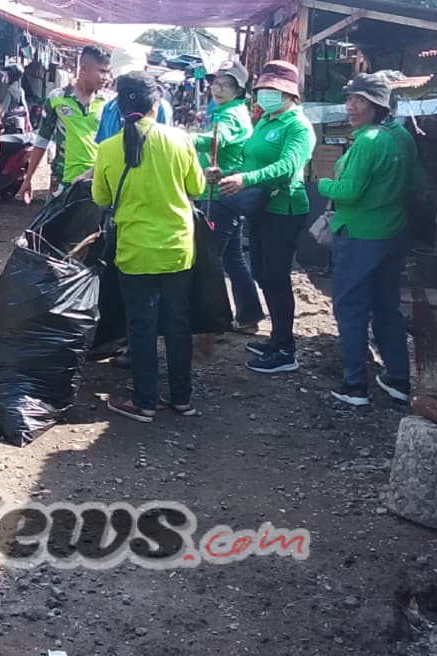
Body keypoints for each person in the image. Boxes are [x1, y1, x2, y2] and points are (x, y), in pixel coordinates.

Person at [93, 73, 206, 422]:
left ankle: (144, 402)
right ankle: (183, 398)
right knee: (177, 322)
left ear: (120, 106)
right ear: (156, 105)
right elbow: (197, 187)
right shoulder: (180, 139)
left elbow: (101, 197)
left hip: (134, 251)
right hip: (177, 249)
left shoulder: (109, 148)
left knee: (141, 326)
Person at [319, 72, 424, 407]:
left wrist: (323, 185)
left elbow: (348, 192)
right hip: (392, 232)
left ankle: (355, 386)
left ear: (378, 105)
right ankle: (398, 379)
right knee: (386, 307)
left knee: (350, 308)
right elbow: (416, 182)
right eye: (350, 98)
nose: (351, 106)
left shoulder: (368, 141)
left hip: (361, 235)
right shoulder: (401, 136)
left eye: (360, 100)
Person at [211, 59, 314, 376]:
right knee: (262, 274)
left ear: (289, 93)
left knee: (277, 278)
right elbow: (249, 160)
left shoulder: (298, 126)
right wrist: (227, 175)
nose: (265, 93)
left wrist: (246, 180)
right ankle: (275, 338)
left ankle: (285, 349)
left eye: (273, 89)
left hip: (285, 210)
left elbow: (286, 167)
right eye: (263, 88)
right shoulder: (267, 120)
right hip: (260, 207)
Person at [193, 58, 265, 334]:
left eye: (226, 85)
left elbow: (215, 140)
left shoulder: (230, 115)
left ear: (239, 91)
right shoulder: (227, 110)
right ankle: (249, 315)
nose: (218, 89)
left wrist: (177, 137)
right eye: (216, 82)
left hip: (220, 195)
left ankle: (215, 323)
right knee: (231, 258)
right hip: (223, 192)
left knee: (209, 259)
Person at [18, 45, 111, 203]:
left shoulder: (109, 103)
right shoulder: (57, 99)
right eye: (101, 71)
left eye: (108, 72)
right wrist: (28, 179)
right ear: (83, 69)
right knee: (54, 227)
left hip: (97, 181)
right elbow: (42, 140)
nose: (106, 77)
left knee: (94, 228)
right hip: (62, 181)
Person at [94, 47, 173, 143]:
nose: (127, 82)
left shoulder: (160, 108)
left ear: (145, 70)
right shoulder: (109, 108)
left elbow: (166, 146)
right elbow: (103, 147)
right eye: (122, 77)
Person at [0, 65, 30, 134]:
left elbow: (2, 111)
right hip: (20, 127)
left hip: (10, 126)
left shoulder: (10, 91)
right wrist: (28, 122)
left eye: (6, 75)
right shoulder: (21, 91)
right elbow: (25, 109)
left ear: (11, 76)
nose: (5, 77)